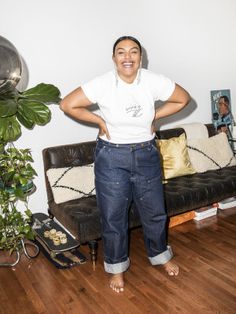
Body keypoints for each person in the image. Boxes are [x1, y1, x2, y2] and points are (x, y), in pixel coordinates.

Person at [60, 35, 190, 293]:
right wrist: (99, 122)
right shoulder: (103, 84)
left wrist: (155, 115)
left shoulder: (153, 81)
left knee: (155, 213)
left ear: (141, 57)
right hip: (111, 157)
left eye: (133, 52)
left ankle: (161, 257)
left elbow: (182, 98)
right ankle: (117, 268)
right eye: (121, 52)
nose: (127, 57)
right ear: (114, 58)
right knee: (113, 216)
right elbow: (67, 104)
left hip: (146, 155)